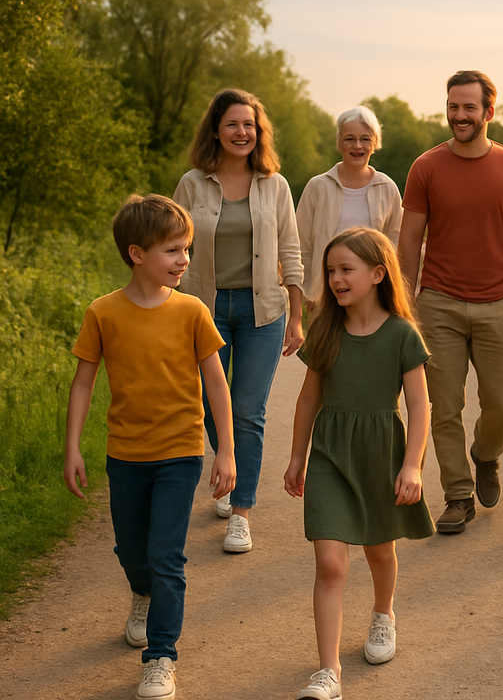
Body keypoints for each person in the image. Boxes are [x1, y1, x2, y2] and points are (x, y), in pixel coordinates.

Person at [64, 194, 235, 700]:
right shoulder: (103, 313)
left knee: (166, 556)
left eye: (186, 248)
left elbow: (218, 386)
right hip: (126, 455)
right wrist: (72, 448)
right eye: (172, 250)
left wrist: (225, 451)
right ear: (137, 254)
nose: (184, 259)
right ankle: (142, 592)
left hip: (180, 453)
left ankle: (161, 656)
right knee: (132, 552)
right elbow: (82, 385)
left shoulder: (192, 312)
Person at [284, 227, 434, 700]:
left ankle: (383, 613)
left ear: (377, 273)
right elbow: (309, 399)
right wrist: (297, 457)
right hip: (330, 455)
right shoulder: (326, 329)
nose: (335, 279)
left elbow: (419, 406)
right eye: (330, 271)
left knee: (378, 551)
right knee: (330, 563)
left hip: (380, 456)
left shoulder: (402, 335)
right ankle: (328, 671)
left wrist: (412, 466)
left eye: (345, 269)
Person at [398, 70, 503, 535]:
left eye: (469, 107)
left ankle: (486, 454)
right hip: (437, 302)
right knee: (442, 407)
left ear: (488, 112)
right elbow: (408, 242)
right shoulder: (425, 167)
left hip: (499, 299)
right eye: (453, 106)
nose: (459, 115)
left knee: (502, 400)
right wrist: (403, 304)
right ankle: (457, 496)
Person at [174, 88, 304, 553]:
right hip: (204, 310)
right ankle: (229, 469)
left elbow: (290, 250)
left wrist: (296, 314)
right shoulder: (192, 183)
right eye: (232, 124)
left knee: (248, 410)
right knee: (213, 406)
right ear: (216, 130)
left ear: (259, 132)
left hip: (263, 311)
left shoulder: (276, 185)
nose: (242, 132)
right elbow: (173, 248)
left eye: (249, 125)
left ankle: (241, 510)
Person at [295, 105, 402, 310]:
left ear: (375, 143)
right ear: (339, 143)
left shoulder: (387, 188)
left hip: (374, 299)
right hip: (325, 297)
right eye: (350, 139)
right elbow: (301, 244)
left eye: (365, 139)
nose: (357, 146)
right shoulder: (317, 186)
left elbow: (395, 245)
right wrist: (309, 289)